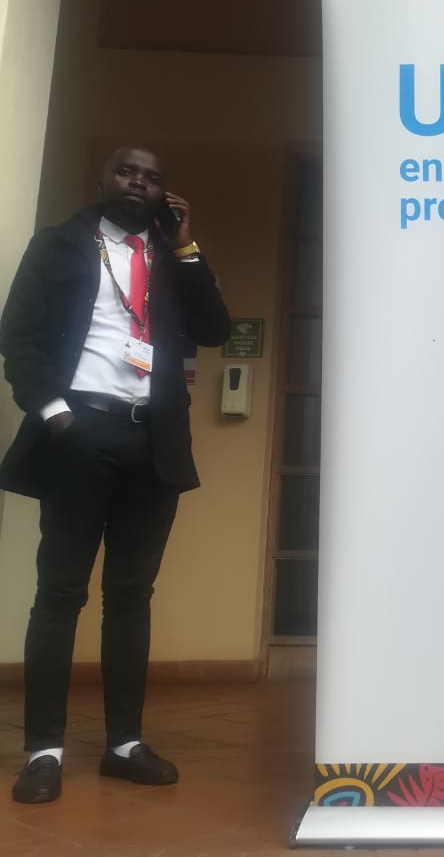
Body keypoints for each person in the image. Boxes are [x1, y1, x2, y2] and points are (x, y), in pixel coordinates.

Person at [0, 147, 231, 804]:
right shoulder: (59, 245)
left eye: (153, 177)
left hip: (152, 442)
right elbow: (18, 335)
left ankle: (124, 745)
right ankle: (44, 751)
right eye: (128, 171)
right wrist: (54, 414)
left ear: (165, 195)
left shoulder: (171, 257)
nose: (139, 182)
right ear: (102, 179)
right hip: (78, 433)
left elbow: (214, 329)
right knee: (60, 593)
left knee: (132, 595)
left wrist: (187, 248)